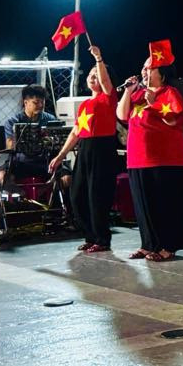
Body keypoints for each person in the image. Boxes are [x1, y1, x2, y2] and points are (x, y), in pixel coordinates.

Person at [117, 56, 183, 262]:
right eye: (144, 68)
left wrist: (154, 102)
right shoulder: (138, 94)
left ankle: (168, 246)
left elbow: (173, 120)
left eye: (150, 68)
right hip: (138, 157)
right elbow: (122, 115)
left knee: (166, 204)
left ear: (162, 74)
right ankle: (148, 244)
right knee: (143, 204)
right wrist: (128, 91)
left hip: (164, 158)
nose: (145, 71)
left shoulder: (170, 92)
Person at [49, 45, 119, 253]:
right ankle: (90, 235)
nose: (92, 77)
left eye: (96, 74)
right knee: (77, 195)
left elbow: (105, 82)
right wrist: (61, 155)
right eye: (90, 74)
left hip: (102, 148)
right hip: (85, 150)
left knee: (97, 196)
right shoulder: (85, 104)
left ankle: (102, 239)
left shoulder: (109, 97)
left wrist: (98, 58)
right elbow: (76, 132)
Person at [2, 85, 63, 189]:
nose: (40, 105)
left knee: (67, 178)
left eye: (42, 102)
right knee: (2, 176)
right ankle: (22, 196)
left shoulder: (51, 119)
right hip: (20, 162)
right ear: (26, 102)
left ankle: (43, 194)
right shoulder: (12, 122)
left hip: (45, 161)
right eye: (36, 102)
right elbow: (10, 145)